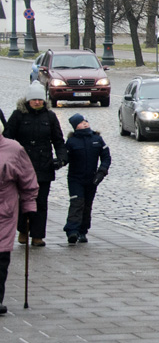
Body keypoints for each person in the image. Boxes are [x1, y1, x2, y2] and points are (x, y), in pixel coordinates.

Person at [4, 83, 65, 247]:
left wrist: (61, 158)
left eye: (40, 99)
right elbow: (8, 138)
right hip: (22, 166)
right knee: (23, 200)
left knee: (41, 202)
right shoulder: (18, 115)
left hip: (44, 165)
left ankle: (38, 235)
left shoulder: (50, 117)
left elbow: (58, 141)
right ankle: (23, 230)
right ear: (28, 100)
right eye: (34, 99)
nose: (37, 102)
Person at [0, 133, 37, 315]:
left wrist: (29, 205)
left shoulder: (13, 149)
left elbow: (28, 179)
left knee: (1, 257)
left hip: (3, 211)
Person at [63, 113, 110, 244]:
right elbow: (66, 158)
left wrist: (101, 172)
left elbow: (106, 157)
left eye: (85, 121)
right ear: (75, 126)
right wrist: (58, 162)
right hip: (75, 179)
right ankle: (72, 231)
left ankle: (83, 231)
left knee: (87, 205)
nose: (84, 124)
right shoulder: (72, 141)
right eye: (80, 122)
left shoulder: (97, 139)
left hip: (92, 179)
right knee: (77, 203)